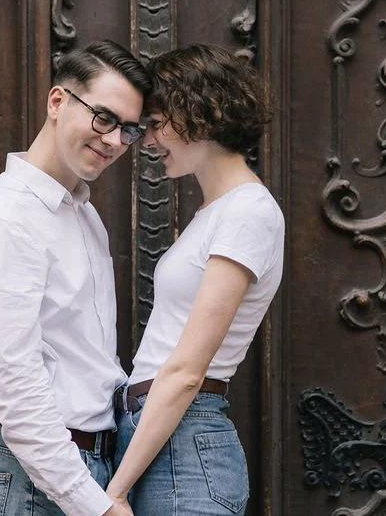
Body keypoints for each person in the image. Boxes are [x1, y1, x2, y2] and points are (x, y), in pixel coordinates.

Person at [0, 40, 151, 516]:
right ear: (58, 102)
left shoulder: (83, 214)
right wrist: (90, 504)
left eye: (128, 129)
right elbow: (13, 384)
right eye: (104, 118)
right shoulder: (5, 221)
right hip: (36, 482)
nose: (115, 140)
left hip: (93, 467)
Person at [106, 44, 284, 515]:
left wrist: (115, 492)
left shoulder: (248, 212)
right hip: (162, 435)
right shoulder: (219, 212)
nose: (147, 141)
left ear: (201, 112)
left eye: (157, 122)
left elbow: (186, 373)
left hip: (183, 442)